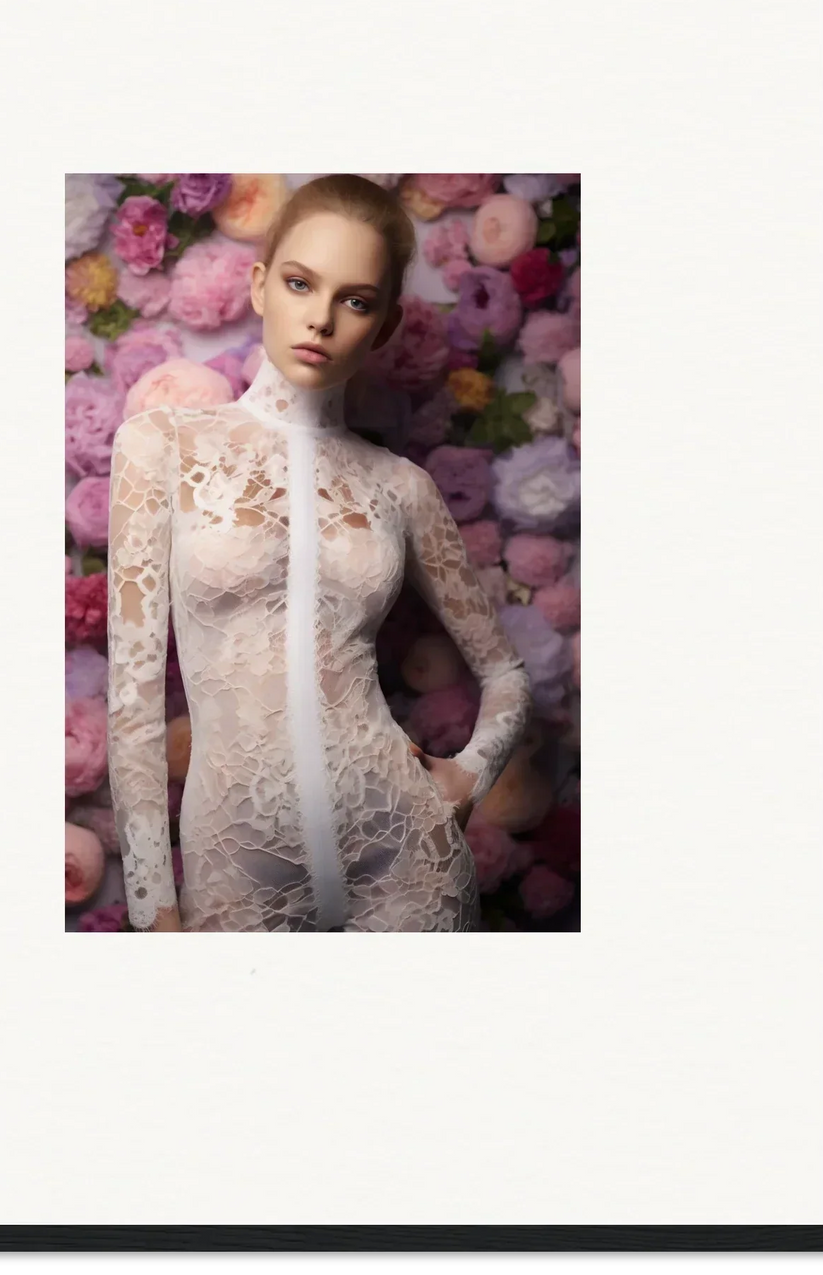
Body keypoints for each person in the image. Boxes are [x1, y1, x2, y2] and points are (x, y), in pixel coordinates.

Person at [106, 174, 532, 932]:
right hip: (236, 864)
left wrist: (467, 775)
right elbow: (133, 702)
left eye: (356, 299)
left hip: (405, 850)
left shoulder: (401, 487)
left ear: (387, 323)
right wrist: (150, 907)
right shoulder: (162, 446)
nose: (323, 318)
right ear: (261, 284)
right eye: (302, 283)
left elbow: (505, 671)